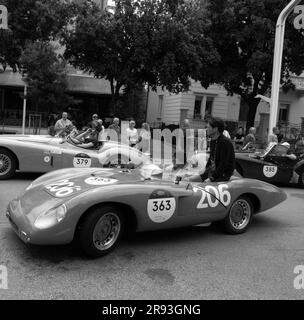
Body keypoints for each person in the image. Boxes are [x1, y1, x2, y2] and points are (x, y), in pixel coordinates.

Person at [190, 117, 235, 182]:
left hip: (223, 174)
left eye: (208, 127)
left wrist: (212, 178)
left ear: (215, 129)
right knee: (190, 179)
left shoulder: (225, 142)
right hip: (213, 171)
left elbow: (223, 164)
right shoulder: (213, 140)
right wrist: (205, 170)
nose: (206, 129)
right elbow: (211, 158)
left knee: (203, 184)